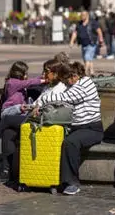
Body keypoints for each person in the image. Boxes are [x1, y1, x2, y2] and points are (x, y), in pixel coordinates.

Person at [0, 56, 70, 183]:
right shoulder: (49, 87)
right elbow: (32, 91)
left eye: (47, 71)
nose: (44, 74)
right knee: (8, 132)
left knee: (7, 120)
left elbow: (50, 107)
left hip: (41, 120)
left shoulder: (59, 89)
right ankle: (6, 172)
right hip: (33, 116)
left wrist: (31, 106)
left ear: (56, 73)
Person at [35, 61, 103, 196]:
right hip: (74, 128)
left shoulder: (85, 84)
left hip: (91, 129)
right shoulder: (72, 85)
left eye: (67, 79)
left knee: (70, 143)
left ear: (74, 76)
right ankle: (49, 177)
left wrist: (40, 102)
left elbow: (62, 97)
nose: (66, 83)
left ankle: (72, 183)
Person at [69, 11, 103, 77]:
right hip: (83, 44)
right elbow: (75, 33)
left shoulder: (93, 22)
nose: (82, 16)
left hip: (91, 43)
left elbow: (99, 30)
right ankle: (92, 72)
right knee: (87, 59)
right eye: (81, 15)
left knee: (87, 57)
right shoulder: (79, 23)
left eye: (83, 15)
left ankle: (84, 73)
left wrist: (101, 38)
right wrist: (71, 42)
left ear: (87, 15)